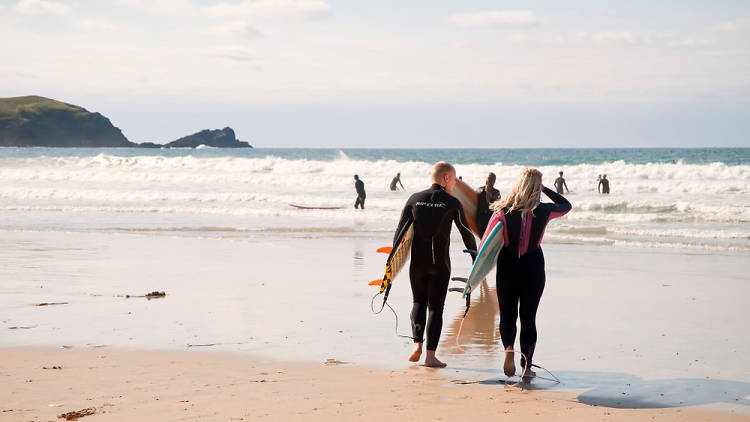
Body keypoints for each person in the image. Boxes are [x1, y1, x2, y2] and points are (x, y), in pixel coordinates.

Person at [393, 162, 477, 368]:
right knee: (436, 309)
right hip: (440, 265)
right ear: (446, 178)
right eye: (454, 179)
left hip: (417, 265)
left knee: (418, 303)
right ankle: (430, 357)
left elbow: (399, 234)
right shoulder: (452, 202)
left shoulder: (414, 199)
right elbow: (466, 233)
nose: (455, 184)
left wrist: (392, 263)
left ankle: (416, 345)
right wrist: (476, 259)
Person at [490, 168, 571, 381]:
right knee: (528, 318)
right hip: (533, 266)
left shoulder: (503, 210)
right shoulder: (543, 210)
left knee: (507, 315)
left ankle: (509, 350)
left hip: (507, 265)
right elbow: (566, 205)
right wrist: (545, 189)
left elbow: (487, 241)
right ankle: (526, 368)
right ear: (537, 187)